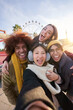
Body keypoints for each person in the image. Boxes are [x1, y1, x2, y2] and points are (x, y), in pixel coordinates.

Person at [15, 42, 73, 110]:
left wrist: (57, 78)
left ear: (47, 56)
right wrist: (32, 103)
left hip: (63, 104)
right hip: (50, 106)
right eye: (36, 53)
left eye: (43, 53)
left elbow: (62, 83)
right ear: (31, 56)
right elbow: (30, 85)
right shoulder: (29, 71)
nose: (40, 56)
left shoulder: (50, 67)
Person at [2, 33, 32, 105]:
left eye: (23, 47)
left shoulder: (33, 60)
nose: (21, 50)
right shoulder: (9, 67)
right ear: (13, 50)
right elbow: (6, 88)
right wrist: (15, 102)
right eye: (17, 48)